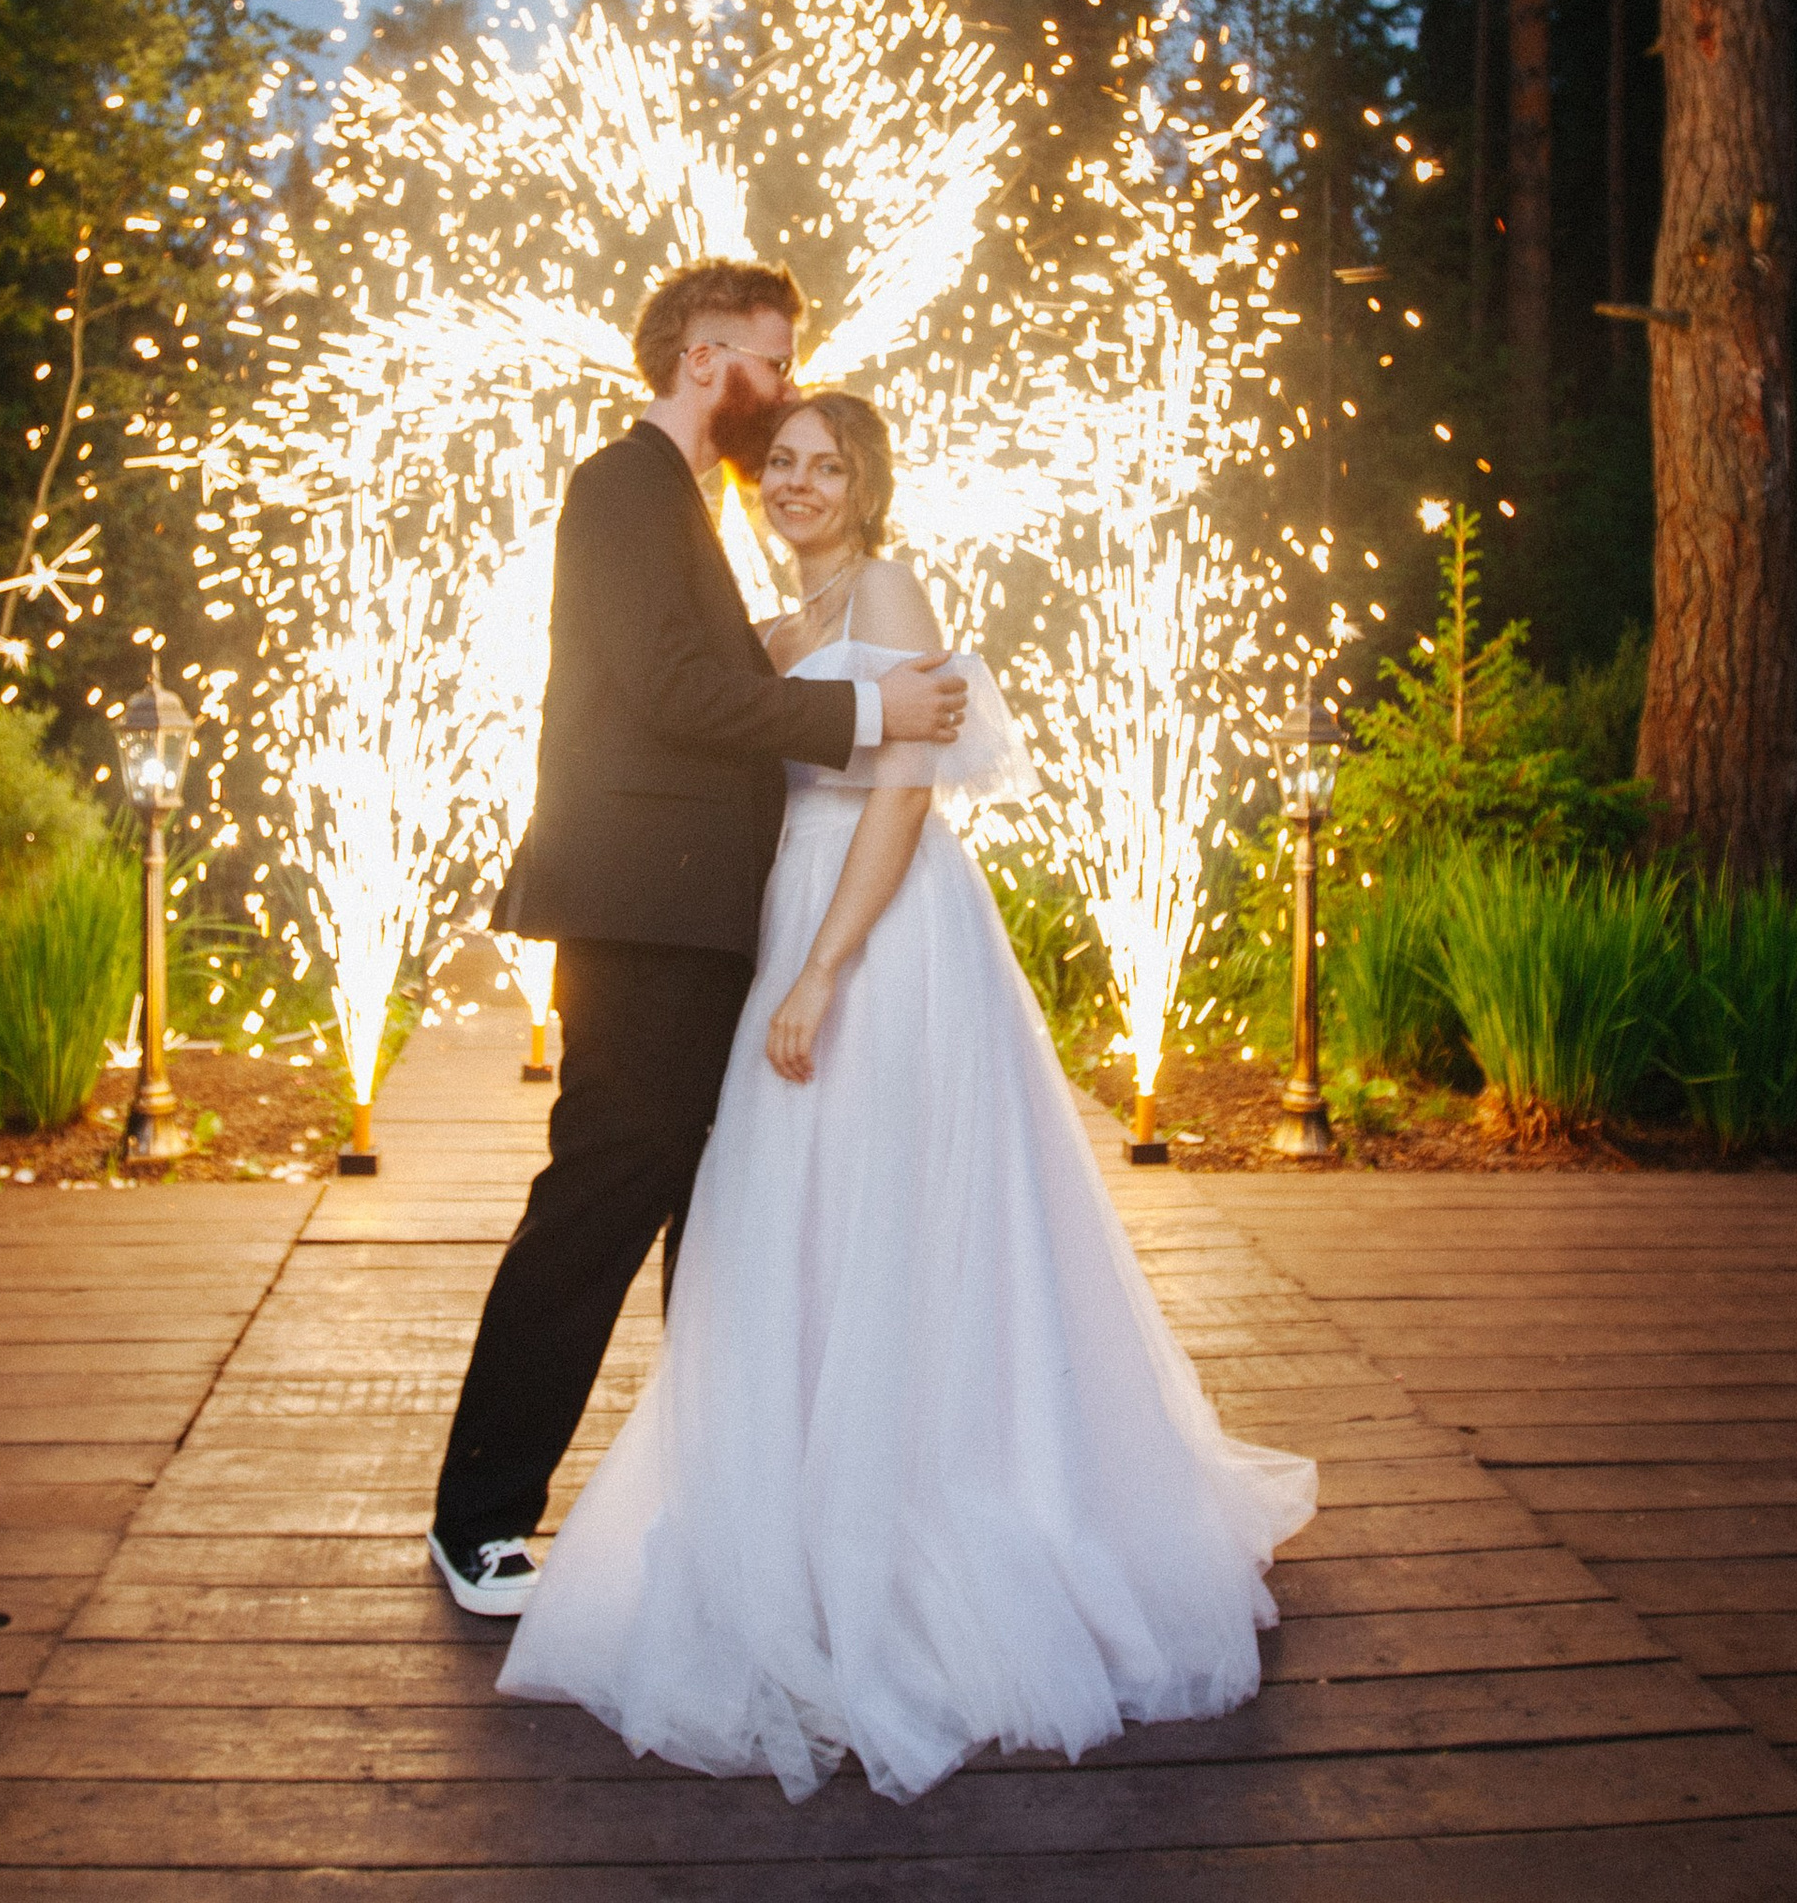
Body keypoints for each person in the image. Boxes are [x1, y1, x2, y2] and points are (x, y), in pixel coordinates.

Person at [494, 390, 1318, 1801]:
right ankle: (811, 1509)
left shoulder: (887, 584)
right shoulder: (781, 623)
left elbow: (901, 792)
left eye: (830, 465)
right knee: (794, 1216)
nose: (802, 484)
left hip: (877, 934)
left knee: (891, 1208)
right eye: (787, 467)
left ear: (868, 484)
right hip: (792, 916)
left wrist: (819, 971)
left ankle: (928, 1509)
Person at [427, 262, 969, 1619]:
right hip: (644, 910)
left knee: (707, 1215)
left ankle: (718, 1501)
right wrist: (866, 716)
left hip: (706, 913)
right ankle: (480, 1518)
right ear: (704, 353)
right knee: (604, 1193)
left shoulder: (686, 510)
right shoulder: (619, 488)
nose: (784, 391)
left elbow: (713, 669)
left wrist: (810, 648)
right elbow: (672, 693)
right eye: (770, 366)